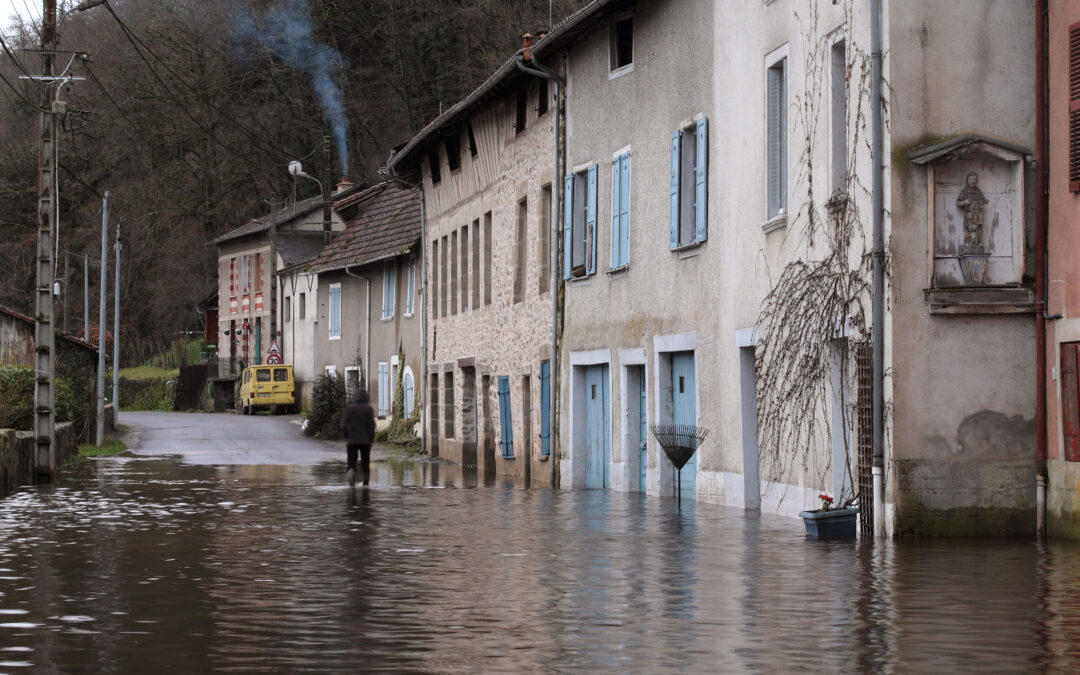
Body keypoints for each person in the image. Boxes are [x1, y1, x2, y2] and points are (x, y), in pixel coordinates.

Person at [340, 388, 376, 486]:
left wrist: (347, 436)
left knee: (351, 461)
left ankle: (351, 483)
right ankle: (366, 483)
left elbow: (343, 425)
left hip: (352, 440)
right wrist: (371, 439)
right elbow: (372, 426)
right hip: (365, 441)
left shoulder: (350, 408)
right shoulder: (369, 409)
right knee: (365, 462)